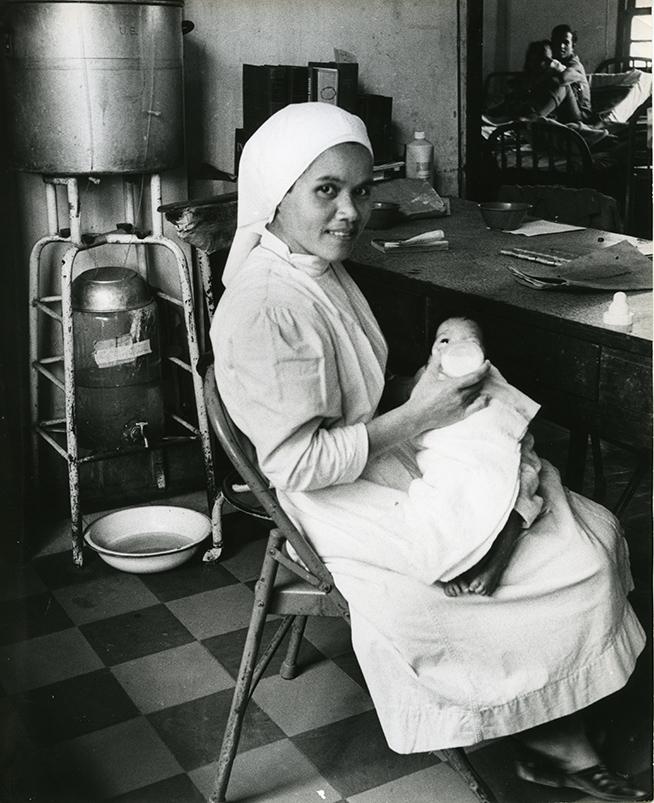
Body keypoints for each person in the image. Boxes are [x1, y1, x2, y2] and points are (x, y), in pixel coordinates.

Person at [211, 101, 647, 801]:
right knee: (574, 557)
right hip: (329, 496)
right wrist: (419, 414)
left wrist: (435, 372)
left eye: (360, 190)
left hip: (364, 457)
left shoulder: (314, 268)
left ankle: (549, 724)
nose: (350, 212)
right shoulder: (268, 306)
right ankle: (551, 735)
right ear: (276, 194)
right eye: (327, 190)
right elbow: (296, 464)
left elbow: (354, 396)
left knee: (569, 512)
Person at [404, 316, 545, 597]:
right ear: (432, 350)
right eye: (445, 340)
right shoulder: (428, 375)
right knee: (445, 496)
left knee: (521, 484)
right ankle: (454, 566)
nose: (455, 347)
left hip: (496, 446)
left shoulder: (489, 375)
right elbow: (411, 406)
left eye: (469, 341)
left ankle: (497, 561)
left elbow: (513, 410)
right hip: (451, 451)